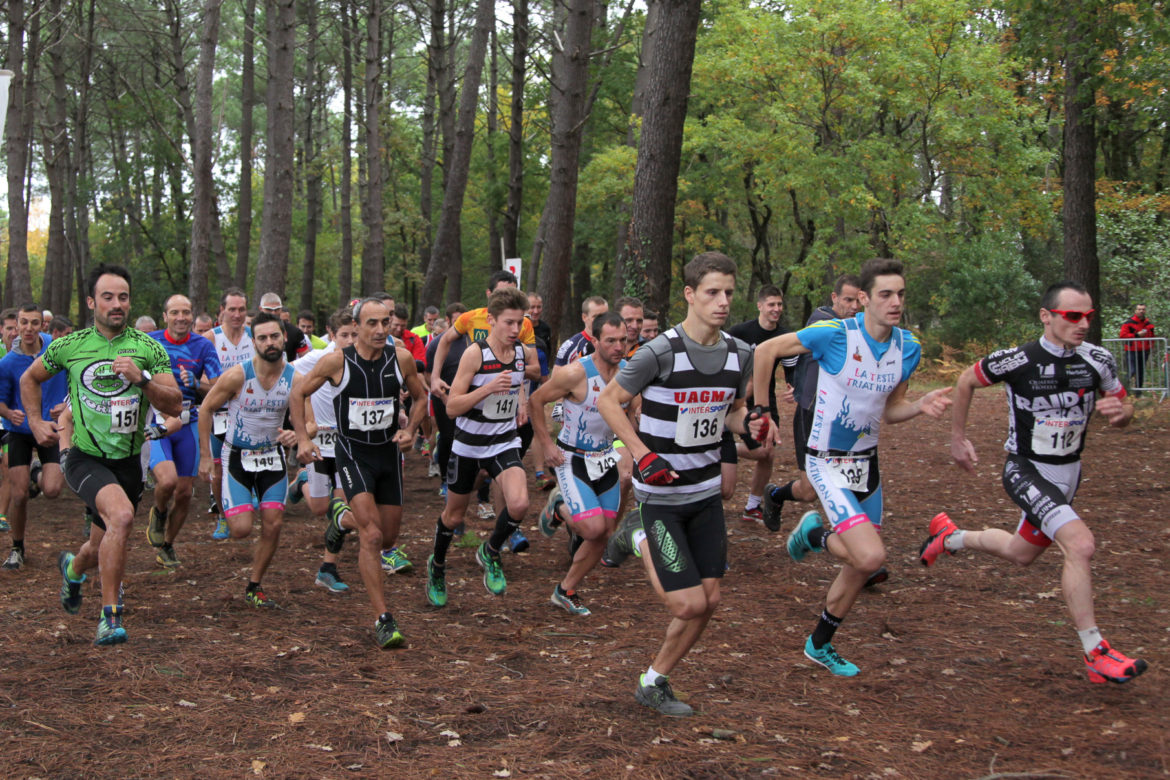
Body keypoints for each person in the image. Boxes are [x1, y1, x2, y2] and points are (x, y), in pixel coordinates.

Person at [920, 281, 1148, 684]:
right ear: (1046, 316)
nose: (1083, 324)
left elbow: (1124, 403)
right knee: (1080, 544)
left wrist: (1121, 412)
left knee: (1020, 552)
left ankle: (951, 537)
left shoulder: (1098, 359)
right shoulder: (1018, 359)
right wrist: (958, 438)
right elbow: (966, 380)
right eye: (1072, 316)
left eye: (1088, 317)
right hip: (1025, 469)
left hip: (1068, 473)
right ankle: (1096, 653)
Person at [752, 257, 951, 677]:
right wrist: (762, 410)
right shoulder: (834, 335)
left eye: (900, 294)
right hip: (824, 462)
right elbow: (766, 349)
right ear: (863, 299)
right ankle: (817, 534)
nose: (895, 302)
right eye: (885, 294)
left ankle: (818, 645)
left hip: (866, 464)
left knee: (862, 567)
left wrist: (920, 405)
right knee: (871, 556)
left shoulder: (908, 347)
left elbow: (890, 410)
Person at [597, 252, 764, 717]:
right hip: (662, 498)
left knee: (709, 600)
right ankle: (635, 533)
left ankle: (654, 681)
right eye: (712, 292)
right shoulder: (661, 351)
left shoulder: (740, 354)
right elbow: (610, 401)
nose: (723, 301)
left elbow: (728, 413)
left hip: (706, 493)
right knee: (687, 604)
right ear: (690, 295)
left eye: (729, 292)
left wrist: (748, 424)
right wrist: (642, 453)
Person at [23, 264, 181, 645]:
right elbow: (30, 378)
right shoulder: (69, 345)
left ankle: (73, 570)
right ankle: (110, 617)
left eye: (123, 297)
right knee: (123, 518)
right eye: (107, 297)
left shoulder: (147, 348)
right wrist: (34, 421)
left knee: (98, 545)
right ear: (92, 302)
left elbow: (175, 404)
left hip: (128, 462)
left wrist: (141, 379)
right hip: (85, 456)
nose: (116, 304)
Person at [292, 299, 426, 647]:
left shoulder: (401, 359)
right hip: (352, 453)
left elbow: (421, 397)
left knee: (390, 536)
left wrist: (411, 430)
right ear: (358, 325)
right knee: (372, 536)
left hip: (388, 455)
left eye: (386, 322)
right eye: (372, 324)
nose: (381, 330)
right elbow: (299, 391)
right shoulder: (337, 361)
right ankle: (384, 618)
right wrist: (304, 438)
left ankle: (340, 517)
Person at [426, 287, 534, 607]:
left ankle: (490, 552)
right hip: (469, 446)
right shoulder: (475, 353)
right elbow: (452, 406)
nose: (515, 330)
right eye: (509, 323)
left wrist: (522, 402)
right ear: (491, 321)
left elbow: (517, 383)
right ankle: (438, 566)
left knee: (519, 504)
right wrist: (486, 389)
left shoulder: (519, 354)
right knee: (453, 516)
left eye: (519, 323)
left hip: (502, 442)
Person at [530, 312, 632, 615]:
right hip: (571, 458)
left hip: (604, 457)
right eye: (611, 340)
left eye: (623, 340)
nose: (618, 346)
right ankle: (559, 507)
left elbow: (636, 410)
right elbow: (536, 401)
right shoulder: (575, 373)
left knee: (605, 531)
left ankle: (566, 590)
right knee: (592, 528)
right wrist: (547, 444)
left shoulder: (629, 373)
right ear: (595, 340)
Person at [198, 313, 301, 608]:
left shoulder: (294, 378)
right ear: (253, 342)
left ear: (284, 336)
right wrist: (206, 457)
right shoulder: (238, 375)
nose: (270, 343)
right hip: (237, 456)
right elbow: (206, 409)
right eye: (263, 338)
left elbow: (309, 422)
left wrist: (297, 436)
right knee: (241, 529)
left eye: (275, 336)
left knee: (273, 524)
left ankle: (254, 585)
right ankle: (241, 502)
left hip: (272, 456)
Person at [763, 275, 862, 532]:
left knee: (848, 481)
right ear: (834, 298)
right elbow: (791, 348)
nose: (853, 306)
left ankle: (850, 532)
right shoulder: (823, 321)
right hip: (812, 414)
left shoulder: (858, 326)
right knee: (808, 492)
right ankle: (774, 496)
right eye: (848, 299)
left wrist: (795, 382)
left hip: (844, 417)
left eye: (858, 300)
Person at [145, 294, 222, 568]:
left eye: (186, 312)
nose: (181, 318)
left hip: (189, 423)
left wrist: (197, 384)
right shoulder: (150, 341)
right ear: (165, 316)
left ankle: (167, 545)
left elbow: (217, 389)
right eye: (175, 312)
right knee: (166, 482)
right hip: (160, 422)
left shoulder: (203, 346)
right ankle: (160, 511)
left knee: (186, 493)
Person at [290, 309, 357, 592]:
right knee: (319, 508)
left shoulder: (361, 358)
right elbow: (293, 380)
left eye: (355, 334)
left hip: (347, 444)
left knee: (342, 509)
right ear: (332, 335)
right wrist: (307, 423)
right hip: (320, 443)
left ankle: (328, 568)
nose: (350, 340)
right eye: (344, 335)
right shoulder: (317, 358)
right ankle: (303, 480)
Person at [0, 305, 68, 570]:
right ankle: (17, 547)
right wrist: (8, 412)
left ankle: (36, 471)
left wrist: (66, 404)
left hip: (50, 428)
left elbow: (75, 382)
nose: (29, 328)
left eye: (34, 323)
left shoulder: (57, 350)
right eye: (24, 323)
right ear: (16, 326)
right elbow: (1, 402)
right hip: (19, 431)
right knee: (19, 495)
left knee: (52, 490)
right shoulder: (7, 363)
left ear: (43, 326)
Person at [728, 285, 797, 524]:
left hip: (765, 399)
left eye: (779, 304)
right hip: (736, 398)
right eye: (771, 304)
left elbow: (792, 371)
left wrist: (793, 387)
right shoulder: (740, 332)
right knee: (762, 451)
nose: (776, 309)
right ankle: (723, 451)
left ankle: (752, 506)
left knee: (767, 453)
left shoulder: (785, 337)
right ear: (760, 306)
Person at [208, 288, 254, 539]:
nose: (237, 314)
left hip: (250, 412)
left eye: (242, 310)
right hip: (219, 412)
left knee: (249, 459)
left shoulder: (255, 337)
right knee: (217, 470)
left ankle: (247, 502)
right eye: (232, 309)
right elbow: (200, 377)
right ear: (222, 310)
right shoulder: (210, 339)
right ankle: (222, 517)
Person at [556, 296, 609, 367]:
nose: (601, 320)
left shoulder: (618, 342)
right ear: (584, 317)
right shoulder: (571, 346)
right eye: (595, 317)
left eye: (604, 316)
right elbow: (557, 376)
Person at [258, 292, 309, 362]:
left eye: (277, 309)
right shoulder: (252, 330)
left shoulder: (294, 332)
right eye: (269, 310)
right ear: (261, 309)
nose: (273, 313)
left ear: (281, 309)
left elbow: (307, 359)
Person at [1118, 304, 1155, 396]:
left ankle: (1138, 393)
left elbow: (1152, 337)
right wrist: (1137, 335)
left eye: (1143, 309)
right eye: (1139, 309)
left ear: (1145, 311)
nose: (1141, 311)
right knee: (1131, 371)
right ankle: (1122, 391)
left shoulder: (1148, 324)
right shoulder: (1128, 322)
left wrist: (1150, 347)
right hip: (1131, 350)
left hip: (1144, 351)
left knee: (1140, 372)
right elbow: (1122, 336)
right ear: (1135, 311)